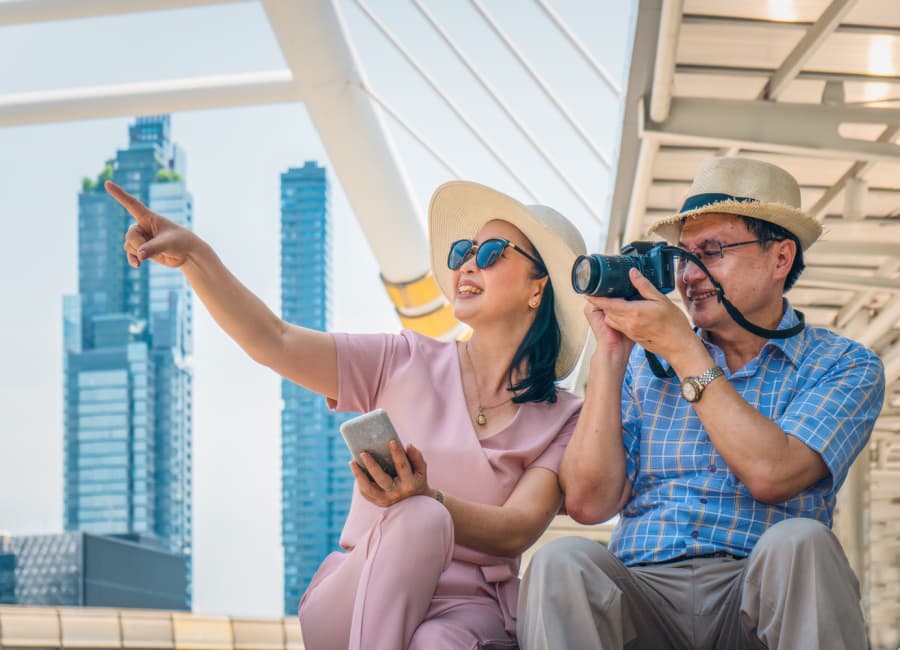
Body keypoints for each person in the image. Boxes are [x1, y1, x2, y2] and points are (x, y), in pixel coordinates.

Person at [107, 178, 588, 650]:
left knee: (436, 635)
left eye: (490, 254)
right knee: (420, 519)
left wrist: (429, 495)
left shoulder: (563, 417)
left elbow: (519, 527)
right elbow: (274, 340)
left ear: (537, 287)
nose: (467, 265)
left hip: (467, 611)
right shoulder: (403, 359)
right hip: (358, 591)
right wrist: (195, 257)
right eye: (463, 251)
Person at [518, 156, 885, 650]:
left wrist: (684, 350)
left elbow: (772, 474)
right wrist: (609, 355)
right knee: (560, 562)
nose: (688, 275)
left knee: (802, 542)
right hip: (644, 593)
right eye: (682, 256)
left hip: (760, 592)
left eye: (712, 252)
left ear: (780, 258)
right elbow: (588, 503)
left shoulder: (843, 364)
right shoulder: (640, 365)